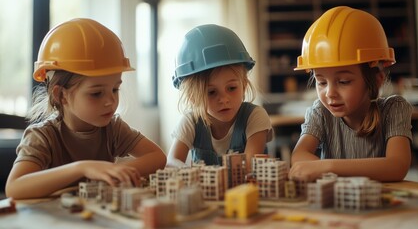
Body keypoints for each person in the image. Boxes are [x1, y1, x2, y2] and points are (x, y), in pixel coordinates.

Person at [5, 18, 166, 199]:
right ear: (61, 95)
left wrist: (113, 172)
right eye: (96, 93)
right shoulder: (41, 137)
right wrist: (83, 168)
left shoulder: (113, 128)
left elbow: (157, 157)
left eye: (115, 89)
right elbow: (15, 188)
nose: (111, 101)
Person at [289, 6, 413, 182]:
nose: (330, 93)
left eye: (344, 82)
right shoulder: (320, 113)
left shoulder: (394, 109)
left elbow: (397, 166)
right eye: (322, 82)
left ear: (376, 80)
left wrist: (328, 166)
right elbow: (299, 156)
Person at [167, 24, 273, 170]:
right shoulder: (191, 122)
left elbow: (249, 166)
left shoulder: (255, 116)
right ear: (192, 97)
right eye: (211, 92)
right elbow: (172, 161)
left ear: (244, 86)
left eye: (232, 88)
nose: (224, 99)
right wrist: (187, 171)